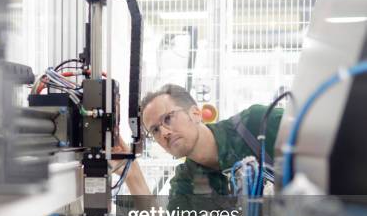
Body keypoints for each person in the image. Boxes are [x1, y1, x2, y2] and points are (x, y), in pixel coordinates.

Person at [114, 84, 283, 209]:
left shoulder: (256, 123)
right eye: (155, 130)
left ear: (195, 113)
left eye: (168, 118)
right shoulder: (186, 183)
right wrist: (132, 174)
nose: (164, 133)